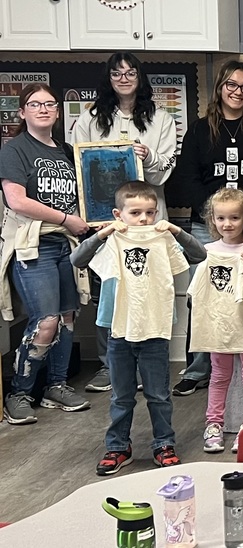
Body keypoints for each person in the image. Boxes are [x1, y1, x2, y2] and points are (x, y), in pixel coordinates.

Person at [71, 182, 207, 475]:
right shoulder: (111, 240)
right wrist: (103, 234)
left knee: (158, 394)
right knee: (121, 394)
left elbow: (199, 255)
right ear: (119, 214)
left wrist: (175, 231)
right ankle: (118, 446)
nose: (144, 219)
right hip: (117, 327)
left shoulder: (162, 238)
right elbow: (77, 259)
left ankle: (163, 443)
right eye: (136, 213)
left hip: (154, 326)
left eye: (150, 212)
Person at [173, 60, 243, 397]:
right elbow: (187, 177)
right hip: (208, 228)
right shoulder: (200, 129)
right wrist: (215, 217)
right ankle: (198, 369)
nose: (238, 92)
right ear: (221, 87)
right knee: (204, 297)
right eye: (231, 85)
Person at [76, 52, 177, 393]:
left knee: (149, 286)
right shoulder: (90, 118)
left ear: (140, 77)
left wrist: (148, 156)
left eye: (130, 72)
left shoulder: (160, 117)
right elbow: (80, 162)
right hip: (107, 220)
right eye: (117, 73)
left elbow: (165, 170)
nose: (123, 78)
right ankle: (110, 365)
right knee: (110, 291)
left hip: (147, 220)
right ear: (108, 79)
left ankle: (152, 363)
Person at [0, 83, 91, 424]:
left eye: (49, 104)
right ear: (22, 112)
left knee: (67, 316)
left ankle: (57, 385)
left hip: (66, 245)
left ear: (57, 111)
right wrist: (67, 219)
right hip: (33, 244)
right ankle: (20, 392)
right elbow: (17, 200)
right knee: (45, 321)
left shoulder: (66, 151)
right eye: (35, 104)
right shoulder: (14, 150)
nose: (43, 109)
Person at [189, 188, 243, 454]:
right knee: (219, 376)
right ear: (213, 220)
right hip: (218, 325)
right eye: (221, 218)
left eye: (234, 217)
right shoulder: (206, 252)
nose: (227, 224)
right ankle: (214, 424)